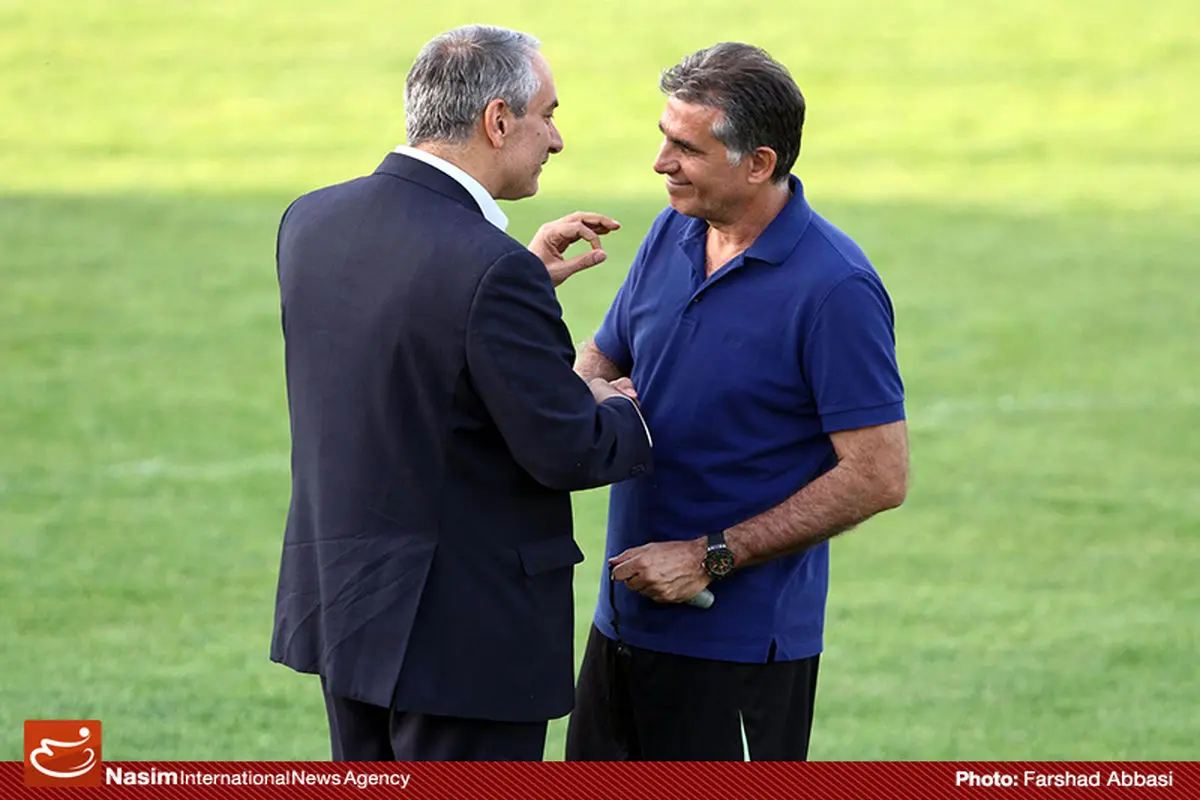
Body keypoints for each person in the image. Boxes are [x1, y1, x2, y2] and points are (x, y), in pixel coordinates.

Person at [269, 25, 653, 762]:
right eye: (548, 114)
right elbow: (567, 448)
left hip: (347, 613)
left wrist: (515, 289)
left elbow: (403, 354)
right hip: (465, 642)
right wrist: (618, 405)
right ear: (498, 120)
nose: (557, 139)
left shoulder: (311, 220)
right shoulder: (488, 269)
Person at [564, 42, 909, 761]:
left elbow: (879, 474)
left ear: (758, 163)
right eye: (664, 138)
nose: (661, 162)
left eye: (686, 148)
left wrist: (710, 555)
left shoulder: (835, 288)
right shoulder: (674, 230)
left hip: (738, 651)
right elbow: (602, 353)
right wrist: (588, 389)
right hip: (621, 627)